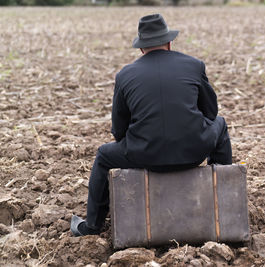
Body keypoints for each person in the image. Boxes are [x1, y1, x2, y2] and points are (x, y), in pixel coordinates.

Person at [70, 13, 232, 236]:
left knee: (104, 156)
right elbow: (211, 112)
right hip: (195, 151)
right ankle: (222, 207)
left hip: (144, 155)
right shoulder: (194, 65)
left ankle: (91, 227)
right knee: (221, 125)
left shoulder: (125, 75)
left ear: (141, 48)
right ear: (169, 42)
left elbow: (118, 129)